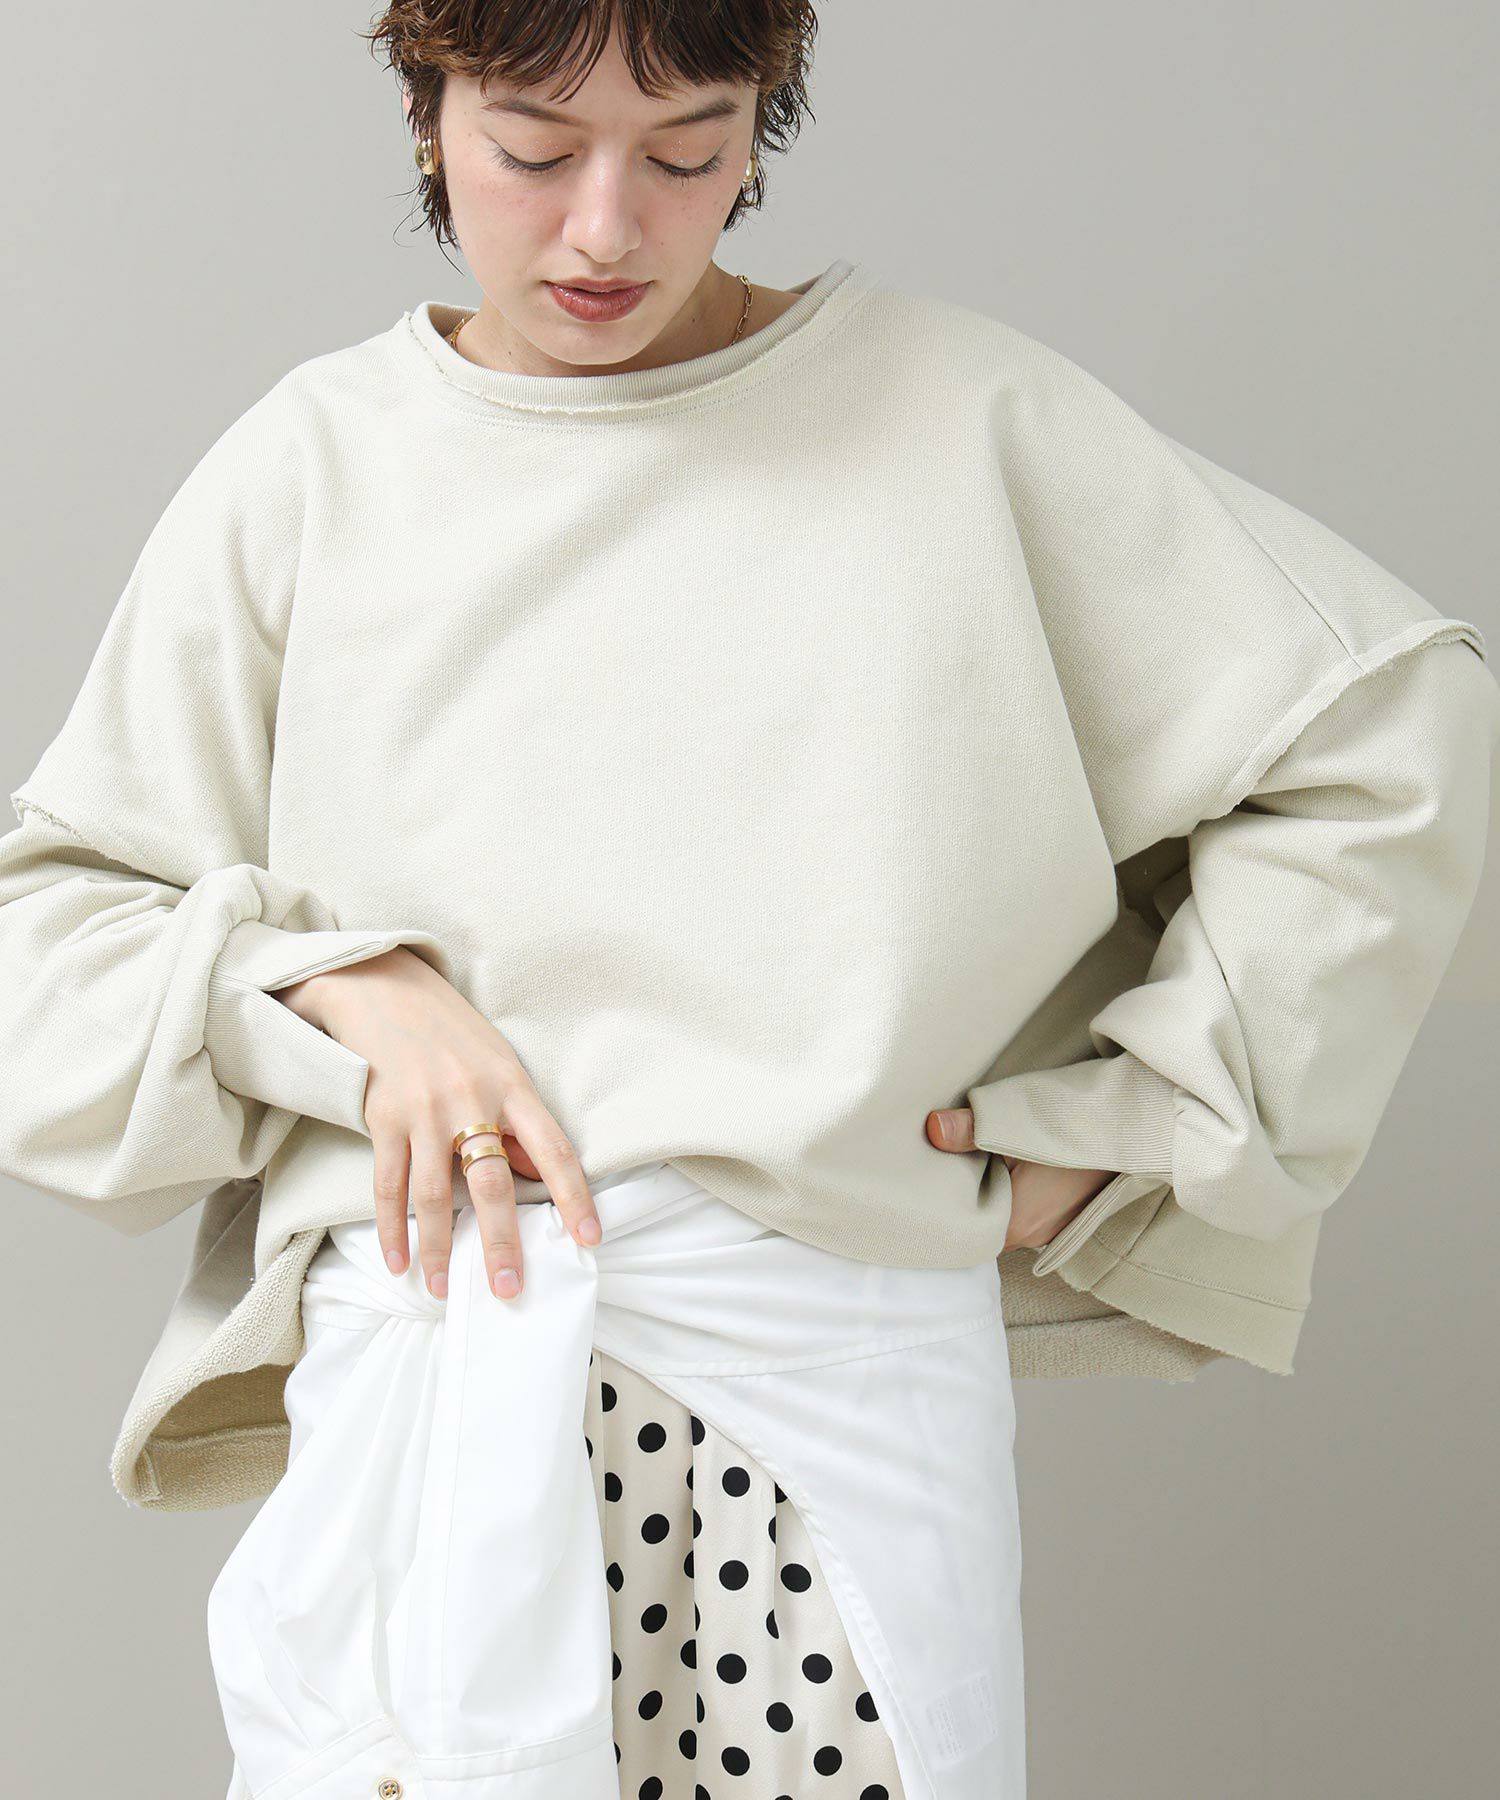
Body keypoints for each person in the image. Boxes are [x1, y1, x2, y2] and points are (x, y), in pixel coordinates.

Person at [1, 4, 1495, 1798]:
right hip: (441, 1394)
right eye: (533, 151)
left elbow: (1390, 731)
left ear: (762, 121)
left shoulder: (953, 416)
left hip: (830, 1409)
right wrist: (343, 993)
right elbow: (49, 947)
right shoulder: (313, 464)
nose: (607, 227)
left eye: (686, 150)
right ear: (428, 112)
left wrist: (1165, 1110)